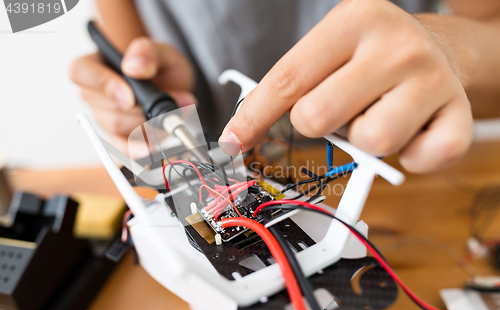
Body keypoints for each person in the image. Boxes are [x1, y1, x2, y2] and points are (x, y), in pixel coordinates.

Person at [70, 0, 500, 173]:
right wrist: (138, 97)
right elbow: (137, 67)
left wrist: (450, 50)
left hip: (407, 172)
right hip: (222, 178)